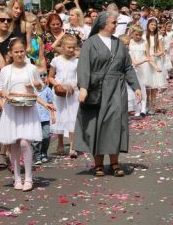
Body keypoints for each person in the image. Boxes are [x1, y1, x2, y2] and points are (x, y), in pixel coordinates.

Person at [75, 11, 142, 177]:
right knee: (97, 125)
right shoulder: (90, 43)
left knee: (115, 125)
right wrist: (83, 87)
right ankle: (98, 164)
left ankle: (114, 163)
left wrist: (136, 86)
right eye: (113, 22)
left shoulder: (119, 44)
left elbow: (127, 67)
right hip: (97, 90)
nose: (116, 25)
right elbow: (84, 66)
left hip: (117, 90)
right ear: (103, 24)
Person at [0, 38, 44, 191]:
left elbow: (40, 86)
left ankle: (28, 176)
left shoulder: (31, 69)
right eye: (16, 52)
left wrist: (37, 84)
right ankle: (17, 177)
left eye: (22, 51)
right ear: (10, 53)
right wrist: (2, 92)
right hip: (12, 108)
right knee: (14, 143)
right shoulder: (6, 70)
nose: (19, 54)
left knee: (24, 142)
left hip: (27, 108)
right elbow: (0, 87)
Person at [48, 34, 80, 158]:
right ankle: (60, 143)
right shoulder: (56, 60)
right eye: (69, 47)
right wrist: (56, 85)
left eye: (73, 48)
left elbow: (79, 77)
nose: (71, 50)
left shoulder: (77, 61)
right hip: (59, 92)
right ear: (62, 47)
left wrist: (73, 85)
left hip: (72, 93)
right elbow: (50, 77)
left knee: (72, 117)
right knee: (60, 115)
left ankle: (72, 146)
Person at [32, 74, 56, 164]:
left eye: (44, 75)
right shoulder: (31, 90)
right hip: (34, 118)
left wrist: (53, 115)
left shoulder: (48, 90)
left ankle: (43, 152)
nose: (42, 77)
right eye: (40, 75)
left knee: (46, 136)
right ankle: (36, 156)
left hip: (45, 118)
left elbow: (50, 103)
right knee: (35, 139)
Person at [144, 18, 166, 112]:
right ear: (148, 25)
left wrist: (155, 54)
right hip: (146, 61)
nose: (153, 26)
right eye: (151, 24)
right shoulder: (144, 36)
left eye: (154, 25)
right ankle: (146, 105)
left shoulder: (158, 37)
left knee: (153, 85)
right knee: (146, 85)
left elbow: (162, 51)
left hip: (155, 60)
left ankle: (153, 105)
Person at [128, 24, 149, 117]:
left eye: (140, 35)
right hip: (134, 66)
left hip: (144, 67)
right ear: (132, 33)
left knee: (143, 87)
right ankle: (137, 108)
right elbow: (131, 57)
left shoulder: (145, 42)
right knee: (135, 88)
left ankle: (143, 107)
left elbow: (148, 56)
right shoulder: (129, 42)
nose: (138, 36)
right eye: (136, 34)